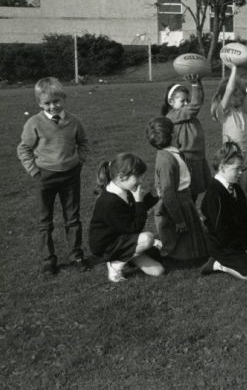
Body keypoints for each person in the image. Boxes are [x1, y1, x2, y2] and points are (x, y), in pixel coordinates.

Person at [17, 77, 89, 274]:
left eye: (56, 101)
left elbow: (83, 143)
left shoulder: (73, 121)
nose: (52, 106)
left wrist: (79, 162)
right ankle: (49, 260)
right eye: (46, 103)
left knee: (72, 217)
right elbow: (24, 149)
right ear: (39, 103)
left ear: (63, 99)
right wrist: (34, 171)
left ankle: (76, 255)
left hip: (70, 176)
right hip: (45, 177)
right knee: (45, 220)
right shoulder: (34, 123)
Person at [200, 142, 247, 282]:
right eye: (237, 169)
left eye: (241, 168)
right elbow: (221, 232)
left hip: (240, 242)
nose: (241, 173)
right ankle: (218, 264)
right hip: (223, 246)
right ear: (222, 167)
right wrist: (245, 247)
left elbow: (246, 219)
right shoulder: (214, 194)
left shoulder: (235, 188)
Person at [88, 153, 164, 282]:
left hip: (123, 239)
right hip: (108, 246)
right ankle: (115, 264)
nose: (141, 181)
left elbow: (134, 211)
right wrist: (139, 202)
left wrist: (152, 197)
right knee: (148, 238)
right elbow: (134, 227)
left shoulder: (125, 189)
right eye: (137, 177)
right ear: (122, 177)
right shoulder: (109, 201)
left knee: (158, 271)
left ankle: (128, 255)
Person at [146, 118, 208, 261]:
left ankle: (193, 253)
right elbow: (168, 193)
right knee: (180, 241)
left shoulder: (173, 153)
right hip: (177, 204)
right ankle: (176, 255)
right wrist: (179, 219)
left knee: (194, 239)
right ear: (172, 135)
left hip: (184, 200)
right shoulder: (166, 160)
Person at [161, 77, 212, 200]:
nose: (186, 104)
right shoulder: (174, 115)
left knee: (195, 193)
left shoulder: (187, 114)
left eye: (187, 101)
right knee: (187, 194)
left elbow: (198, 102)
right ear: (171, 102)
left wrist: (198, 83)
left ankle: (192, 215)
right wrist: (194, 85)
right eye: (182, 101)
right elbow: (195, 105)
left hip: (198, 158)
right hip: (187, 160)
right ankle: (187, 216)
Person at [211, 61, 247, 154]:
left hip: (246, 151)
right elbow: (229, 89)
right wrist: (234, 69)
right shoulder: (223, 111)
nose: (242, 96)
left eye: (242, 93)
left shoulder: (242, 109)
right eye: (237, 94)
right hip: (231, 153)